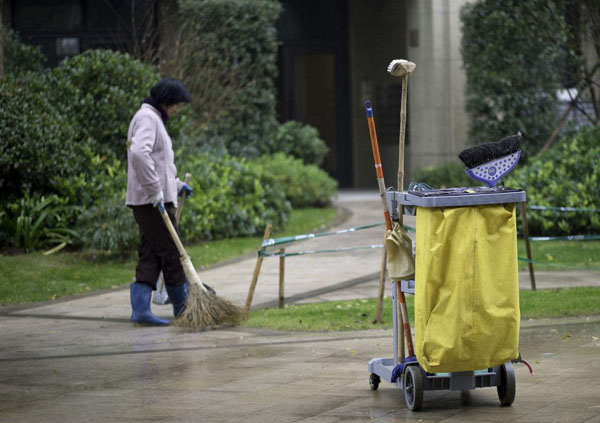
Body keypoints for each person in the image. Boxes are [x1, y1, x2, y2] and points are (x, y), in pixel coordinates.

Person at [126, 77, 192, 325]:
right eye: (176, 104)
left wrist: (177, 185)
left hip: (154, 200)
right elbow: (139, 154)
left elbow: (159, 164)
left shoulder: (153, 118)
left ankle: (141, 310)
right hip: (152, 202)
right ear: (167, 101)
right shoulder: (147, 118)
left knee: (151, 254)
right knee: (173, 254)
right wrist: (155, 191)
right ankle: (183, 310)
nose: (176, 109)